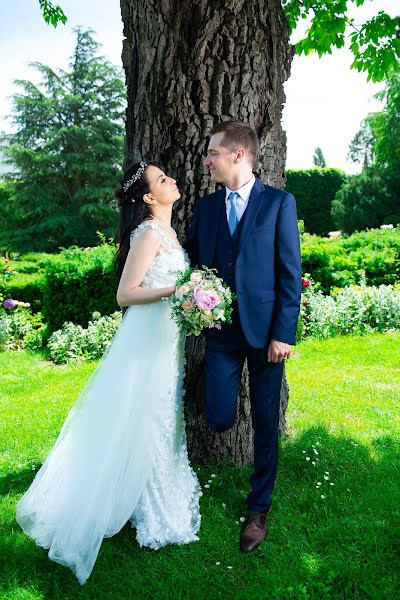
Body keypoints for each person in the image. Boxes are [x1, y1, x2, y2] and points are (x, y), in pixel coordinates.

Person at [16, 162, 201, 585]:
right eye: (162, 180)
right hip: (145, 339)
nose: (171, 180)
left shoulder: (169, 233)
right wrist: (178, 291)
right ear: (150, 198)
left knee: (161, 415)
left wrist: (194, 301)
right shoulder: (149, 234)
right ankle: (148, 507)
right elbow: (125, 294)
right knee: (144, 416)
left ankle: (148, 494)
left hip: (166, 340)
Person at [184, 121, 301, 553]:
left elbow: (290, 274)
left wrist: (283, 333)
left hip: (267, 333)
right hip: (220, 333)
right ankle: (218, 408)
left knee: (267, 422)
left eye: (213, 152)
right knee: (218, 415)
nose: (207, 160)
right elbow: (192, 261)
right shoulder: (208, 208)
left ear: (238, 155)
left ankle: (259, 507)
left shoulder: (278, 204)